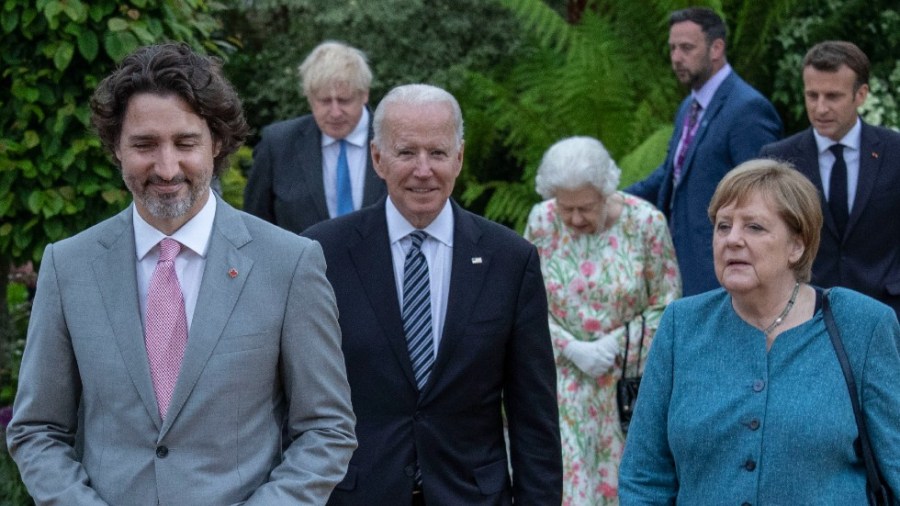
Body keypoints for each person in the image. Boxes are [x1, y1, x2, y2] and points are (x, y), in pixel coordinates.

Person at [5, 43, 357, 505]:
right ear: (116, 147)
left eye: (186, 143)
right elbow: (37, 429)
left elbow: (326, 429)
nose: (167, 167)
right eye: (144, 144)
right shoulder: (69, 266)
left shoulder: (289, 264)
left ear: (217, 142)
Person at [304, 84, 563, 505]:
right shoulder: (322, 254)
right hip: (354, 494)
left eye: (438, 153)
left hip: (472, 496)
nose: (423, 170)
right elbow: (294, 400)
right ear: (377, 158)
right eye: (406, 152)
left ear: (459, 158)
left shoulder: (510, 260)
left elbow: (534, 418)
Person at [619, 159, 900, 504]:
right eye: (723, 226)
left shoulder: (861, 324)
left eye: (754, 227)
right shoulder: (682, 325)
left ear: (796, 246)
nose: (732, 240)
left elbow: (895, 465)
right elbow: (644, 474)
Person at [523, 136, 681, 505]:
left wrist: (617, 343)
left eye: (586, 207)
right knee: (566, 490)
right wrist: (569, 346)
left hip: (628, 388)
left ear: (606, 191)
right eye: (566, 207)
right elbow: (524, 303)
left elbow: (669, 303)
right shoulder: (542, 222)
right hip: (562, 384)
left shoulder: (645, 223)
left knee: (626, 488)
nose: (575, 219)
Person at [626, 6, 782, 296]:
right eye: (672, 48)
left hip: (723, 270)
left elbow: (762, 193)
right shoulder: (689, 106)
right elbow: (671, 174)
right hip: (680, 264)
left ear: (716, 48)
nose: (676, 58)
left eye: (686, 48)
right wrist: (613, 198)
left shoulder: (748, 109)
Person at [760, 41, 900, 318]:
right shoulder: (777, 159)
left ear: (860, 95)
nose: (820, 108)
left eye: (832, 96)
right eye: (812, 95)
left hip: (888, 311)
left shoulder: (895, 152)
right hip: (805, 314)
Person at [243, 40, 386, 233]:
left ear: (364, 95)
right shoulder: (278, 145)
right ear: (309, 99)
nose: (335, 112)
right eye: (325, 101)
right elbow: (254, 225)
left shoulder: (393, 140)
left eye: (344, 100)